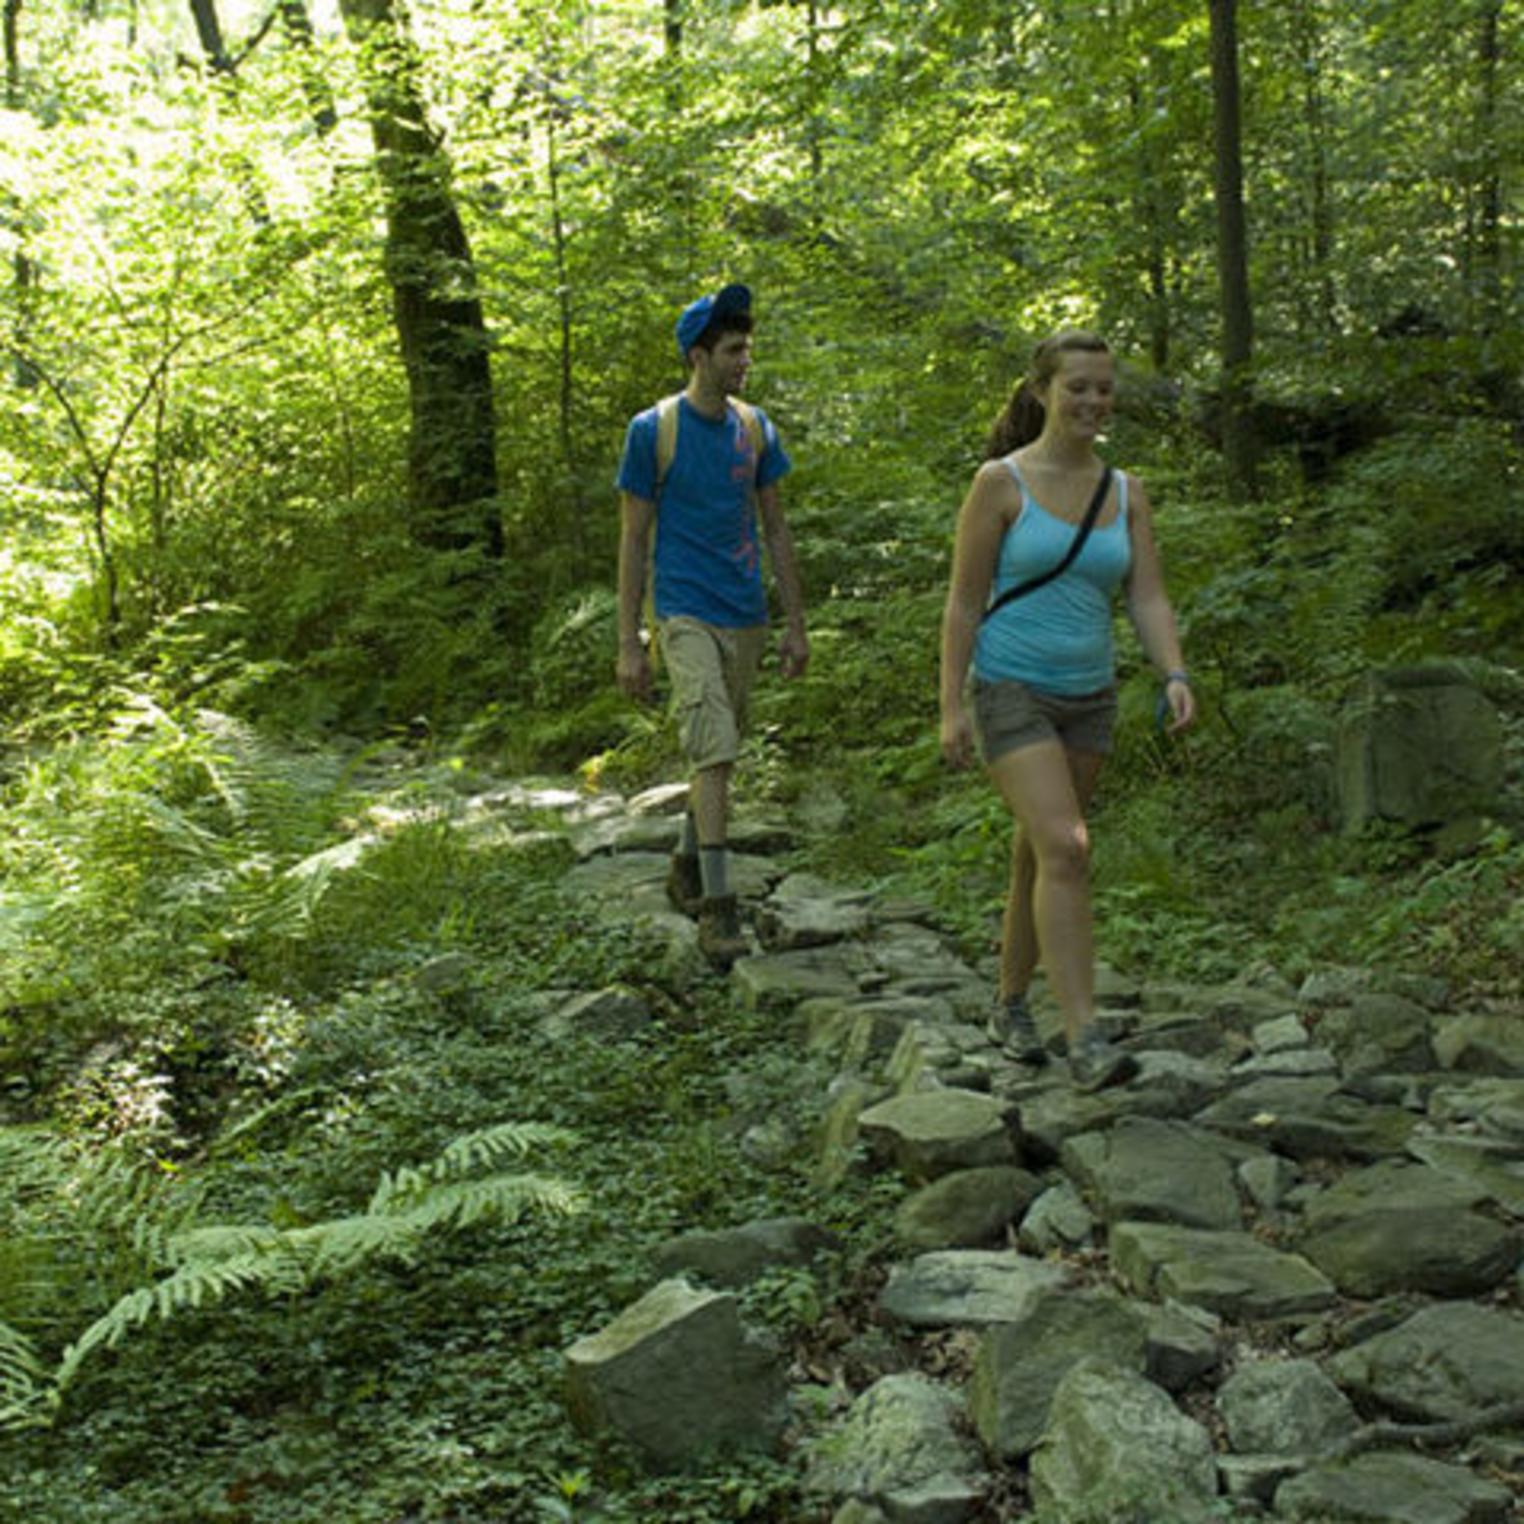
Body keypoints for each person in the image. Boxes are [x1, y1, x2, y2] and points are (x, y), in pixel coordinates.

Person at [938, 328, 1194, 1089]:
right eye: (1077, 385)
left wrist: (1173, 671)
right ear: (1042, 390)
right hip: (1011, 687)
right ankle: (1085, 1037)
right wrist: (950, 705)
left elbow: (1146, 595)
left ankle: (1010, 1003)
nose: (1092, 400)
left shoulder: (1125, 491)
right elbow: (962, 603)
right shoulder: (1000, 483)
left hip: (1090, 697)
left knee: (1040, 853)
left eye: (1103, 387)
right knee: (1068, 847)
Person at [616, 283, 809, 968]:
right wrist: (629, 644)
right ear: (698, 355)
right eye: (732, 350)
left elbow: (777, 527)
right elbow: (634, 541)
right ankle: (720, 907)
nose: (744, 361)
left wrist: (795, 624)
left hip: (745, 612)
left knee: (718, 752)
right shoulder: (654, 431)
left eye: (747, 349)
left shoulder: (756, 429)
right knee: (716, 746)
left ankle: (686, 860)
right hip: (683, 609)